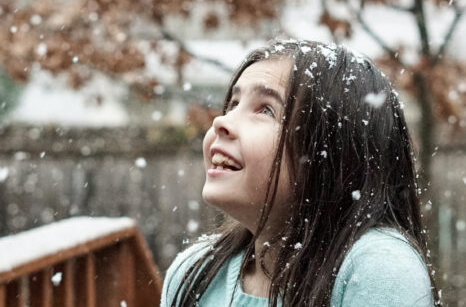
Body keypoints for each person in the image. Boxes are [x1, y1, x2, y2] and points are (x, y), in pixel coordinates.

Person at [160, 39, 440, 307]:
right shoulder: (194, 274)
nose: (221, 121)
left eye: (266, 110)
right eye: (233, 104)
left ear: (331, 153)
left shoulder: (378, 270)